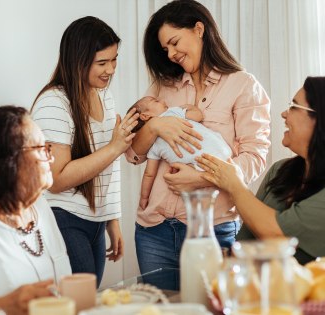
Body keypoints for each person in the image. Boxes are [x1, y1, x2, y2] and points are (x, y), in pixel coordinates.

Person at [125, 0, 271, 277]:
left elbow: (254, 159)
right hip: (154, 230)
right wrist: (155, 126)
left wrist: (203, 176)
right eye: (165, 49)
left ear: (199, 29)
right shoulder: (162, 88)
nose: (170, 54)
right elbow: (134, 155)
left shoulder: (243, 86)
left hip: (214, 228)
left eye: (174, 42)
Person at [31, 16, 139, 286]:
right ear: (78, 60)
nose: (111, 70)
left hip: (95, 221)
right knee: (84, 302)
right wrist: (115, 147)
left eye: (114, 60)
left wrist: (112, 219)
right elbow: (56, 180)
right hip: (65, 218)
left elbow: (107, 166)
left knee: (90, 300)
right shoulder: (54, 103)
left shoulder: (104, 95)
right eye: (102, 63)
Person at [196, 76, 325, 265]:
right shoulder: (280, 170)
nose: (284, 114)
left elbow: (276, 233)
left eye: (295, 106)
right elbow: (244, 241)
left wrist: (234, 184)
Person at [0, 106, 71, 314]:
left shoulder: (41, 207)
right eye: (42, 149)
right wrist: (3, 306)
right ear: (7, 160)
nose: (52, 158)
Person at [127, 96, 231, 209]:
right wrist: (191, 108)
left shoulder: (153, 147)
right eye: (156, 101)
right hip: (222, 151)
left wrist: (144, 198)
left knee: (183, 170)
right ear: (145, 116)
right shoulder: (172, 112)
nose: (163, 100)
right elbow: (198, 116)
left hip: (202, 166)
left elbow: (149, 174)